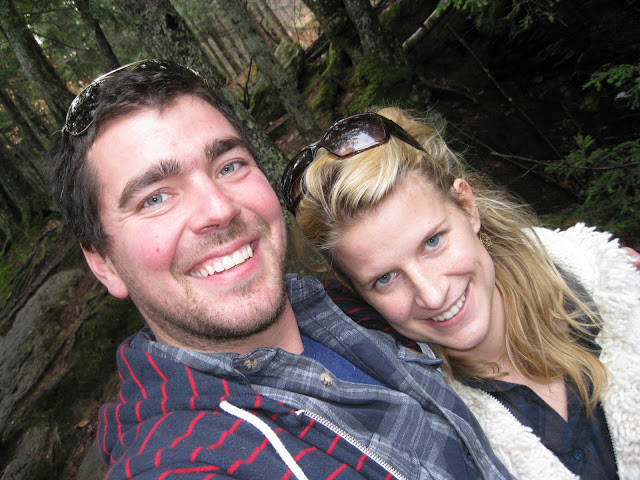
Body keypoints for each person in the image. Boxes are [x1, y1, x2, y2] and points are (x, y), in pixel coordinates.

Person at [44, 60, 516, 480]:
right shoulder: (180, 458)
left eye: (229, 166)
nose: (218, 209)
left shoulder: (349, 302)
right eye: (155, 198)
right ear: (103, 263)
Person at [285, 107, 640, 480]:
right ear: (359, 293)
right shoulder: (429, 436)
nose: (433, 295)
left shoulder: (611, 289)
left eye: (433, 242)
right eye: (385, 278)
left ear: (468, 208)